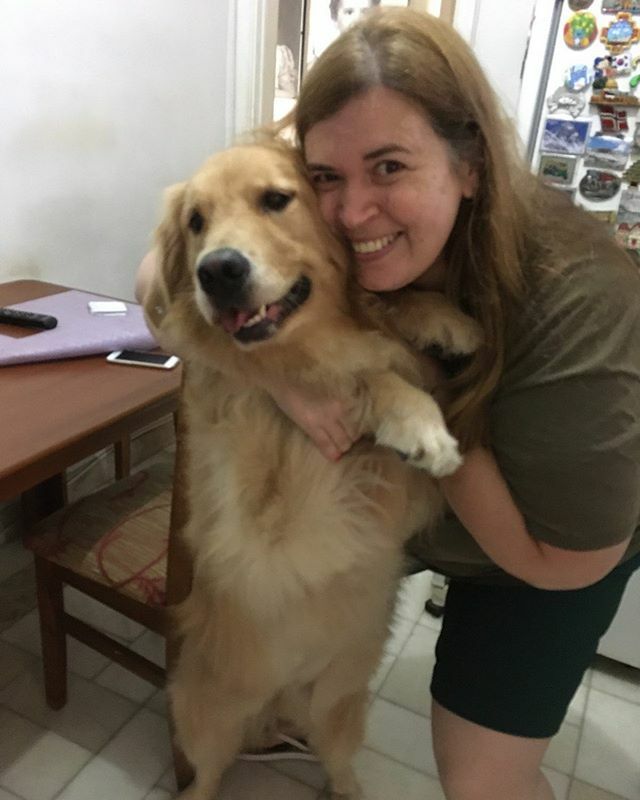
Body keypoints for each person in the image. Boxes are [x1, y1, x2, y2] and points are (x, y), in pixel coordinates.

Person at [136, 8, 640, 798]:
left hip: (547, 556)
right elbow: (164, 283)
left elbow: (566, 561)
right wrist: (278, 373)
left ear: (470, 162)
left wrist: (392, 399)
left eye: (391, 169)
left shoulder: (581, 298)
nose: (349, 214)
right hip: (404, 525)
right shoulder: (333, 190)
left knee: (482, 785)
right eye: (326, 179)